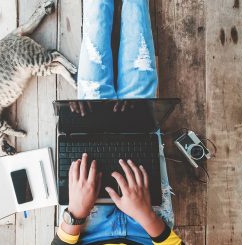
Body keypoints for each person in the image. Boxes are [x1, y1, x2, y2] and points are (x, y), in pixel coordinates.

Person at [51, 0, 183, 244]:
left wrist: (77, 213)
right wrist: (144, 214)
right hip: (147, 224)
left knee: (93, 95)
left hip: (86, 223)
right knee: (139, 101)